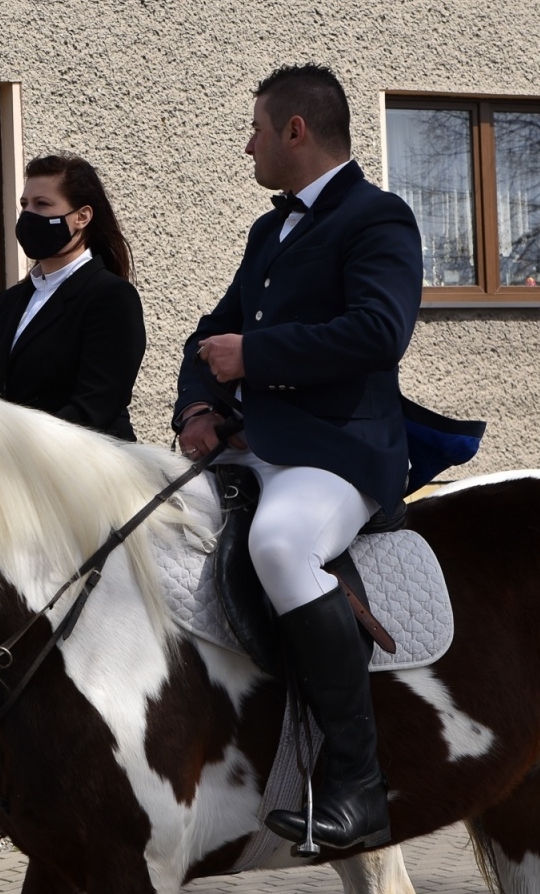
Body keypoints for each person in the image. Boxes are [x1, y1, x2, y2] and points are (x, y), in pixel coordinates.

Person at [173, 65, 422, 851]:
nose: (246, 144)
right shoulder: (268, 231)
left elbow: (381, 332)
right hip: (255, 447)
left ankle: (357, 784)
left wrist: (255, 356)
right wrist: (198, 407)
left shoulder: (379, 217)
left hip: (340, 450)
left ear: (295, 131)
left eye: (255, 128)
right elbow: (207, 337)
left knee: (280, 545)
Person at [0, 155, 145, 441]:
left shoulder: (110, 297)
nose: (28, 215)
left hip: (89, 468)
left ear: (82, 217)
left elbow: (95, 407)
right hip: (6, 472)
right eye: (25, 205)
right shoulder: (6, 304)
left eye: (42, 204)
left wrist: (16, 449)